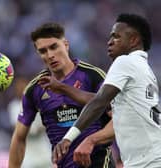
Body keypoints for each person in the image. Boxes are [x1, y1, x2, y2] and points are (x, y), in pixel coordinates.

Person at [53, 13, 161, 168]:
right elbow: (103, 101)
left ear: (134, 40)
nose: (109, 42)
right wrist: (62, 88)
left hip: (147, 162)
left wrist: (68, 138)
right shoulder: (145, 70)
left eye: (116, 37)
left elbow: (100, 102)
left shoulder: (125, 62)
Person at [9, 22, 115, 168]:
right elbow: (19, 137)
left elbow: (118, 119)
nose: (50, 55)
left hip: (98, 162)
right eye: (43, 51)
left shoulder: (93, 76)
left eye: (54, 47)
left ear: (66, 44)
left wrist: (92, 141)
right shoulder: (34, 89)